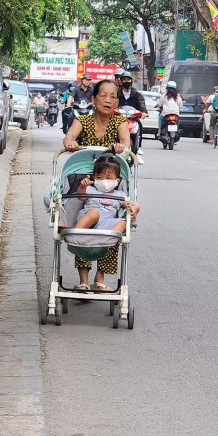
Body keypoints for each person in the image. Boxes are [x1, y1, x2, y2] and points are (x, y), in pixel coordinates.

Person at [62, 79, 131, 291]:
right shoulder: (82, 119)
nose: (107, 100)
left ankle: (100, 279)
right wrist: (71, 143)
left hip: (110, 181)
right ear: (93, 99)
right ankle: (83, 279)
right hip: (85, 180)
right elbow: (69, 137)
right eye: (103, 95)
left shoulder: (120, 122)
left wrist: (121, 147)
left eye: (112, 96)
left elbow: (126, 143)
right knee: (82, 220)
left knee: (115, 225)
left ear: (117, 102)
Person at [73, 156, 140, 237]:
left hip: (106, 223)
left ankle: (107, 239)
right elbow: (81, 196)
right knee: (94, 213)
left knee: (123, 222)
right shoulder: (90, 189)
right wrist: (83, 186)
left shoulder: (119, 195)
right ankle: (75, 234)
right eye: (99, 177)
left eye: (108, 178)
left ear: (117, 181)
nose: (103, 180)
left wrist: (135, 208)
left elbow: (133, 204)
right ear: (94, 178)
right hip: (88, 218)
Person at [117, 71, 147, 164]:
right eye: (124, 79)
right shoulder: (117, 93)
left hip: (132, 119)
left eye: (128, 79)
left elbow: (141, 104)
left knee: (139, 126)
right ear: (121, 81)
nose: (126, 81)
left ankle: (137, 149)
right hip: (118, 119)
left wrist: (144, 112)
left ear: (131, 81)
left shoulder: (137, 94)